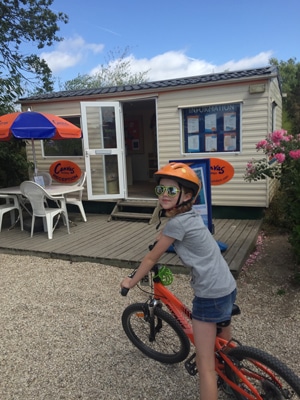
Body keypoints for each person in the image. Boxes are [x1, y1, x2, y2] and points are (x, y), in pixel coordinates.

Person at [120, 162, 237, 400]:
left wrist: (130, 282)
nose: (164, 195)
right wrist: (164, 236)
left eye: (171, 191)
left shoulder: (176, 223)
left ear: (188, 195)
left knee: (205, 365)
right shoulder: (192, 217)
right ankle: (232, 377)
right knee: (223, 345)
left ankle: (220, 378)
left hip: (209, 294)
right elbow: (178, 234)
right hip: (227, 286)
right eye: (160, 190)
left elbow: (152, 257)